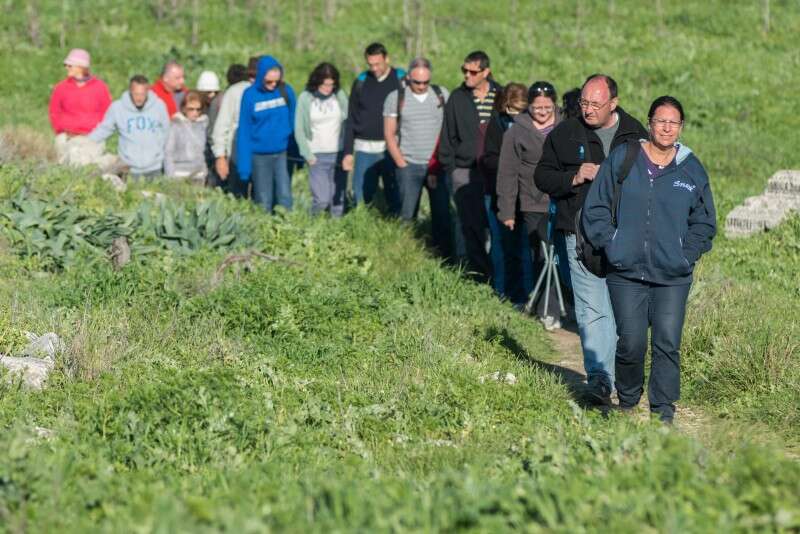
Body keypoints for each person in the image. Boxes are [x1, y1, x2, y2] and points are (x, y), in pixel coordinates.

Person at [582, 96, 716, 423]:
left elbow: (705, 221)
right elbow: (596, 207)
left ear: (681, 127)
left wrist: (686, 255)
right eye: (660, 121)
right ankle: (628, 400)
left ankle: (663, 412)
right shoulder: (624, 158)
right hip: (625, 272)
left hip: (673, 275)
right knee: (631, 342)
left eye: (673, 122)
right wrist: (612, 243)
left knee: (667, 342)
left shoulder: (691, 168)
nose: (667, 127)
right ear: (650, 123)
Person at [534, 74, 647, 404]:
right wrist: (574, 176)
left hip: (625, 234)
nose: (588, 109)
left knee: (623, 309)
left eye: (595, 104)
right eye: (584, 102)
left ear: (613, 103)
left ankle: (622, 377)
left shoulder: (635, 134)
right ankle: (600, 379)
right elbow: (542, 176)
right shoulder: (565, 134)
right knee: (591, 307)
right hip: (579, 233)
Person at [438, 50, 503, 283]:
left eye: (473, 71)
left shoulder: (501, 95)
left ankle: (500, 273)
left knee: (496, 223)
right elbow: (447, 135)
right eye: (464, 70)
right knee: (471, 224)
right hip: (465, 170)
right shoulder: (457, 97)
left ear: (486, 72)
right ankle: (478, 274)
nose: (467, 75)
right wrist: (451, 168)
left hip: (495, 171)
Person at [383, 57, 452, 256]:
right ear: (408, 78)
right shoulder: (396, 98)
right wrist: (401, 162)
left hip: (436, 166)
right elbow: (389, 133)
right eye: (417, 82)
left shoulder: (441, 95)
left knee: (442, 214)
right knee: (406, 215)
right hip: (409, 164)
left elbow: (447, 130)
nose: (422, 86)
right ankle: (405, 254)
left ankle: (444, 257)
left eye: (425, 82)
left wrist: (440, 162)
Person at [480, 82, 530, 303]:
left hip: (526, 195)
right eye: (510, 110)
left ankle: (527, 294)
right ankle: (501, 292)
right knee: (500, 245)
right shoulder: (497, 124)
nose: (514, 116)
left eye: (519, 111)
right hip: (498, 192)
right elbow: (488, 158)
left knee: (525, 247)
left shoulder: (532, 125)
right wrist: (508, 163)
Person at [341, 42, 406, 214]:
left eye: (378, 64)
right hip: (364, 150)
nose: (374, 68)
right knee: (360, 198)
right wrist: (348, 152)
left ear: (387, 59)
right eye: (370, 65)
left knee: (396, 195)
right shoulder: (361, 82)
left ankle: (397, 230)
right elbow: (351, 119)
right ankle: (361, 228)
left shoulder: (401, 79)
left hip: (392, 149)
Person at [236, 55, 296, 213]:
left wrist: (298, 151)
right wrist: (244, 167)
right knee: (263, 199)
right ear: (261, 76)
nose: (273, 85)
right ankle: (264, 232)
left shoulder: (285, 91)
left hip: (282, 154)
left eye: (276, 81)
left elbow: (293, 122)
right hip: (259, 156)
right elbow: (244, 131)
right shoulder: (249, 95)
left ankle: (286, 230)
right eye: (269, 81)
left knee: (285, 197)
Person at [294, 62, 349, 217]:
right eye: (325, 85)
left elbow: (348, 120)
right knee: (322, 200)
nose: (328, 89)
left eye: (331, 85)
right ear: (316, 82)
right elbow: (298, 128)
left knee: (337, 201)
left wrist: (348, 151)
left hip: (338, 153)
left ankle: (335, 232)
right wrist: (307, 155)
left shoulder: (339, 95)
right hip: (316, 156)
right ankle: (312, 224)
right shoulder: (305, 98)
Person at [88, 75, 169, 178]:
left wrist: (158, 151)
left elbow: (166, 131)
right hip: (128, 167)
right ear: (130, 91)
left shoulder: (159, 105)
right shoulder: (117, 107)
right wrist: (86, 142)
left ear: (147, 92)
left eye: (142, 94)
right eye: (136, 94)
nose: (139, 98)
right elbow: (104, 129)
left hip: (154, 167)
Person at [49, 48, 113, 167]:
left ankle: (108, 162)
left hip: (92, 138)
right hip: (67, 137)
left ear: (81, 67)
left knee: (80, 165)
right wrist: (60, 130)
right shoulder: (61, 88)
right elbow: (54, 111)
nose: (66, 67)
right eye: (66, 65)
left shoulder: (100, 87)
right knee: (66, 166)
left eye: (70, 65)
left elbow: (108, 112)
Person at [212, 57, 258, 198]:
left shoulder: (272, 93)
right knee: (238, 196)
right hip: (237, 154)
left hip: (262, 155)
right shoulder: (235, 92)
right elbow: (222, 125)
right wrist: (220, 156)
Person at [164, 91, 208, 183]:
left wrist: (204, 171)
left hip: (198, 175)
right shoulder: (175, 126)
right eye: (191, 109)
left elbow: (202, 151)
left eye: (198, 109)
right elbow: (168, 152)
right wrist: (170, 177)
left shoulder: (202, 124)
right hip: (179, 175)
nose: (195, 112)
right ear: (184, 109)